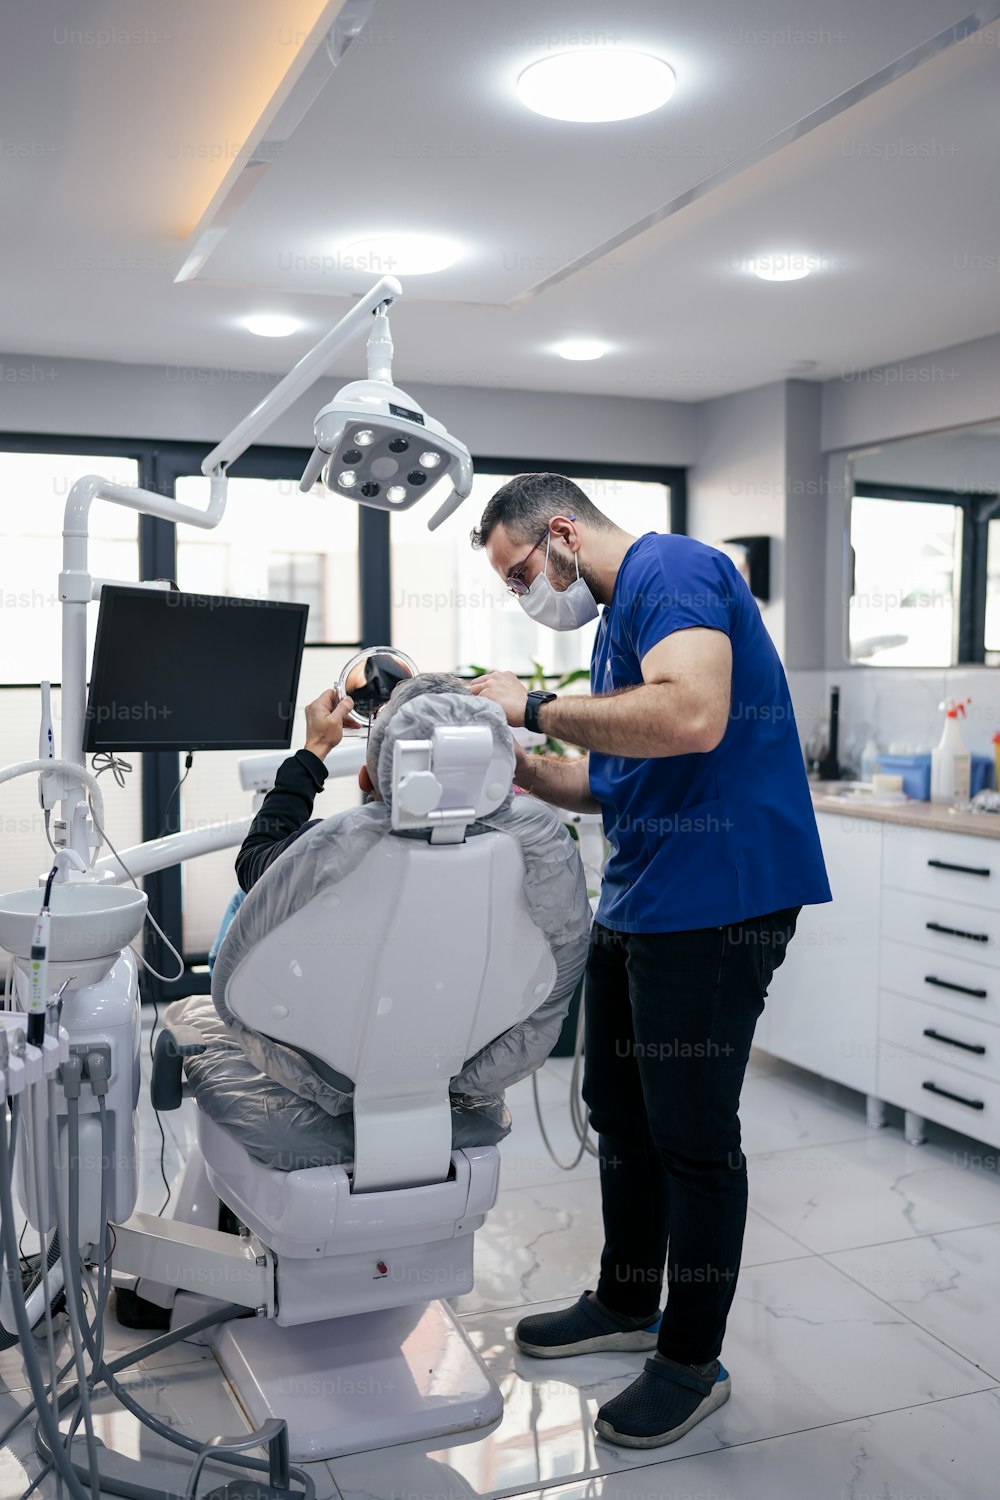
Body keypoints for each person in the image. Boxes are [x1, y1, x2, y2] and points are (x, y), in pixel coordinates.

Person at [469, 472, 831, 1449]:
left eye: (517, 576)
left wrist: (533, 705)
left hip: (718, 902)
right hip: (642, 894)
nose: (524, 595)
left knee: (690, 1135)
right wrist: (501, 755)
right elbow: (607, 781)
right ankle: (627, 1300)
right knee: (617, 1113)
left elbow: (690, 718)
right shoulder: (614, 622)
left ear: (558, 532)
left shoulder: (670, 569)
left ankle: (689, 1359)